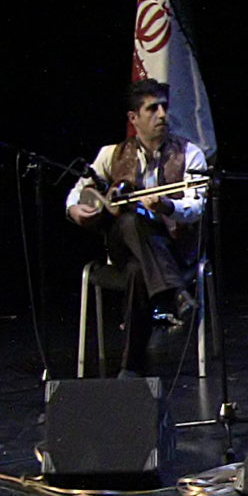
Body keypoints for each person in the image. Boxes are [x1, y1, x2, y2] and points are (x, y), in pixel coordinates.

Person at [65, 78, 208, 377]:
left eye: (164, 107)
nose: (162, 115)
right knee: (130, 219)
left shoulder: (190, 154)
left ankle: (130, 369)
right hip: (123, 244)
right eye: (152, 109)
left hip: (171, 249)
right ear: (133, 118)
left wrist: (167, 206)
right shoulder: (111, 154)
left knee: (137, 270)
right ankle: (175, 292)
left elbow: (197, 207)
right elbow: (78, 191)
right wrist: (74, 209)